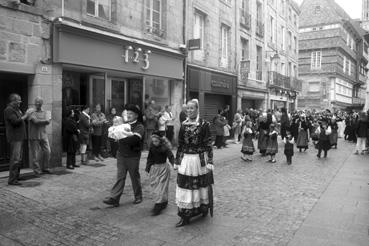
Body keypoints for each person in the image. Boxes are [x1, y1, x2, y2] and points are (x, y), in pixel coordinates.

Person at [175, 99, 214, 227]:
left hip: (199, 159)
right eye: (187, 109)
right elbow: (180, 144)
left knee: (199, 185)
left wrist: (210, 161)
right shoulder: (183, 124)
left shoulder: (204, 124)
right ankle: (185, 214)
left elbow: (208, 143)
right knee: (184, 185)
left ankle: (202, 208)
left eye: (192, 108)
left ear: (197, 109)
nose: (189, 111)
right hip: (186, 159)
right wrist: (177, 160)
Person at [103, 104, 145, 207]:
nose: (129, 115)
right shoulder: (122, 124)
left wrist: (120, 137)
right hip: (121, 154)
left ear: (136, 115)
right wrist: (113, 135)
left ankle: (138, 196)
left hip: (133, 156)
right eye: (128, 113)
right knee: (120, 177)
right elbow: (112, 137)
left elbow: (134, 139)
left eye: (131, 113)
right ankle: (114, 198)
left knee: (134, 176)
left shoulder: (139, 126)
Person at [4, 93, 33, 185]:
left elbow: (21, 120)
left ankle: (16, 177)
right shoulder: (9, 110)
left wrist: (27, 116)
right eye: (18, 100)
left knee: (19, 159)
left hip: (20, 137)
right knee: (15, 159)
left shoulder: (17, 110)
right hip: (15, 137)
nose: (20, 102)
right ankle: (12, 180)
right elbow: (15, 122)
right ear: (13, 101)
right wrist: (26, 115)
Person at [145, 132, 174, 216]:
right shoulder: (152, 147)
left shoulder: (165, 148)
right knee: (155, 186)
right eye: (153, 141)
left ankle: (158, 205)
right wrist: (148, 168)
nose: (154, 143)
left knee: (161, 187)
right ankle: (164, 201)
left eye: (156, 141)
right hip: (155, 169)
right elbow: (149, 158)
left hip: (163, 169)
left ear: (160, 141)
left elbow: (171, 156)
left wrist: (174, 164)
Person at [28, 97, 52, 175]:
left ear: (42, 103)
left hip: (43, 135)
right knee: (35, 154)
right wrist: (45, 121)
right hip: (34, 135)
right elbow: (36, 122)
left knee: (48, 151)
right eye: (36, 102)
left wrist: (44, 121)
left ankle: (46, 168)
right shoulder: (31, 112)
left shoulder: (46, 111)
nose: (37, 104)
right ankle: (37, 170)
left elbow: (48, 122)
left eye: (39, 102)